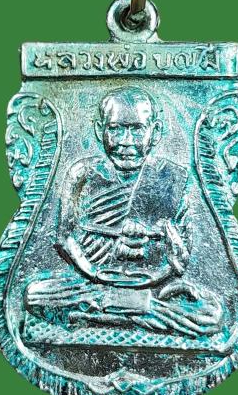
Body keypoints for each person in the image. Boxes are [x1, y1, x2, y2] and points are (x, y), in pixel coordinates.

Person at [24, 87, 223, 338]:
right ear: (100, 130)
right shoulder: (81, 174)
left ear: (155, 132)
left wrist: (159, 254)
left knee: (211, 317)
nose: (126, 142)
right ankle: (134, 310)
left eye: (137, 129)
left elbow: (181, 257)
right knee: (34, 295)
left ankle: (99, 314)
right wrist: (94, 272)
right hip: (90, 284)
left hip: (148, 285)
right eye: (116, 129)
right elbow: (65, 238)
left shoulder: (172, 178)